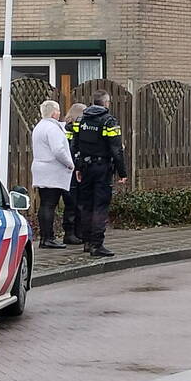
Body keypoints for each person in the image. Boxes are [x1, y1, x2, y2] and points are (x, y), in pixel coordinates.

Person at [71, 90, 128, 257]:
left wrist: (79, 168)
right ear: (106, 103)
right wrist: (122, 172)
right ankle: (97, 245)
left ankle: (87, 242)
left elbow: (75, 145)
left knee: (86, 205)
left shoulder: (81, 120)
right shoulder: (109, 121)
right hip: (102, 168)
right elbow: (116, 149)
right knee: (100, 206)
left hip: (85, 168)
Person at [30, 100, 75, 249]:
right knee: (49, 204)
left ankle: (45, 237)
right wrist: (69, 163)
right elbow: (58, 150)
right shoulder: (52, 129)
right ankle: (48, 238)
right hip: (52, 170)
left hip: (41, 169)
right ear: (55, 113)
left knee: (45, 204)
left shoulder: (40, 126)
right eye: (59, 111)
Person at [61, 103, 87, 249]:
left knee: (76, 201)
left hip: (71, 169)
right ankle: (70, 233)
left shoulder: (66, 128)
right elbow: (72, 149)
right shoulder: (70, 129)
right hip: (70, 170)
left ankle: (76, 232)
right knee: (72, 202)